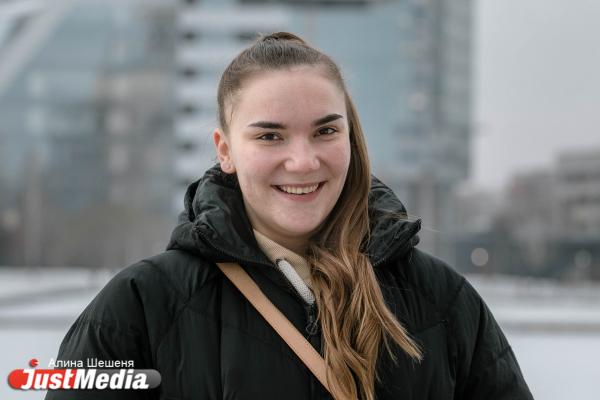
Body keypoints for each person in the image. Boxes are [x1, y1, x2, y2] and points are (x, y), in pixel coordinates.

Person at [46, 32, 533, 400]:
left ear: (350, 138)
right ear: (225, 150)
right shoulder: (139, 307)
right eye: (270, 136)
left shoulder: (443, 302)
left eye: (325, 132)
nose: (302, 161)